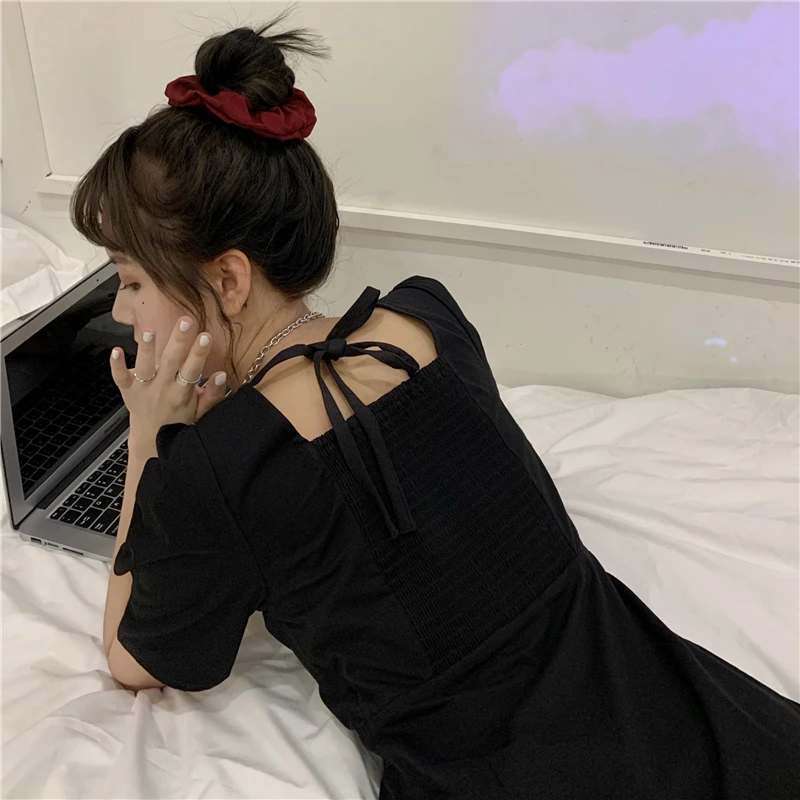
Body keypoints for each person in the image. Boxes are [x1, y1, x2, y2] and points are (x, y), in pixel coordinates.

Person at [71, 20, 799, 800]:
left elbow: (133, 658)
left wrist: (149, 434)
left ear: (228, 280)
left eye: (133, 280)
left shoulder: (226, 466)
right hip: (663, 698)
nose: (121, 309)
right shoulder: (428, 318)